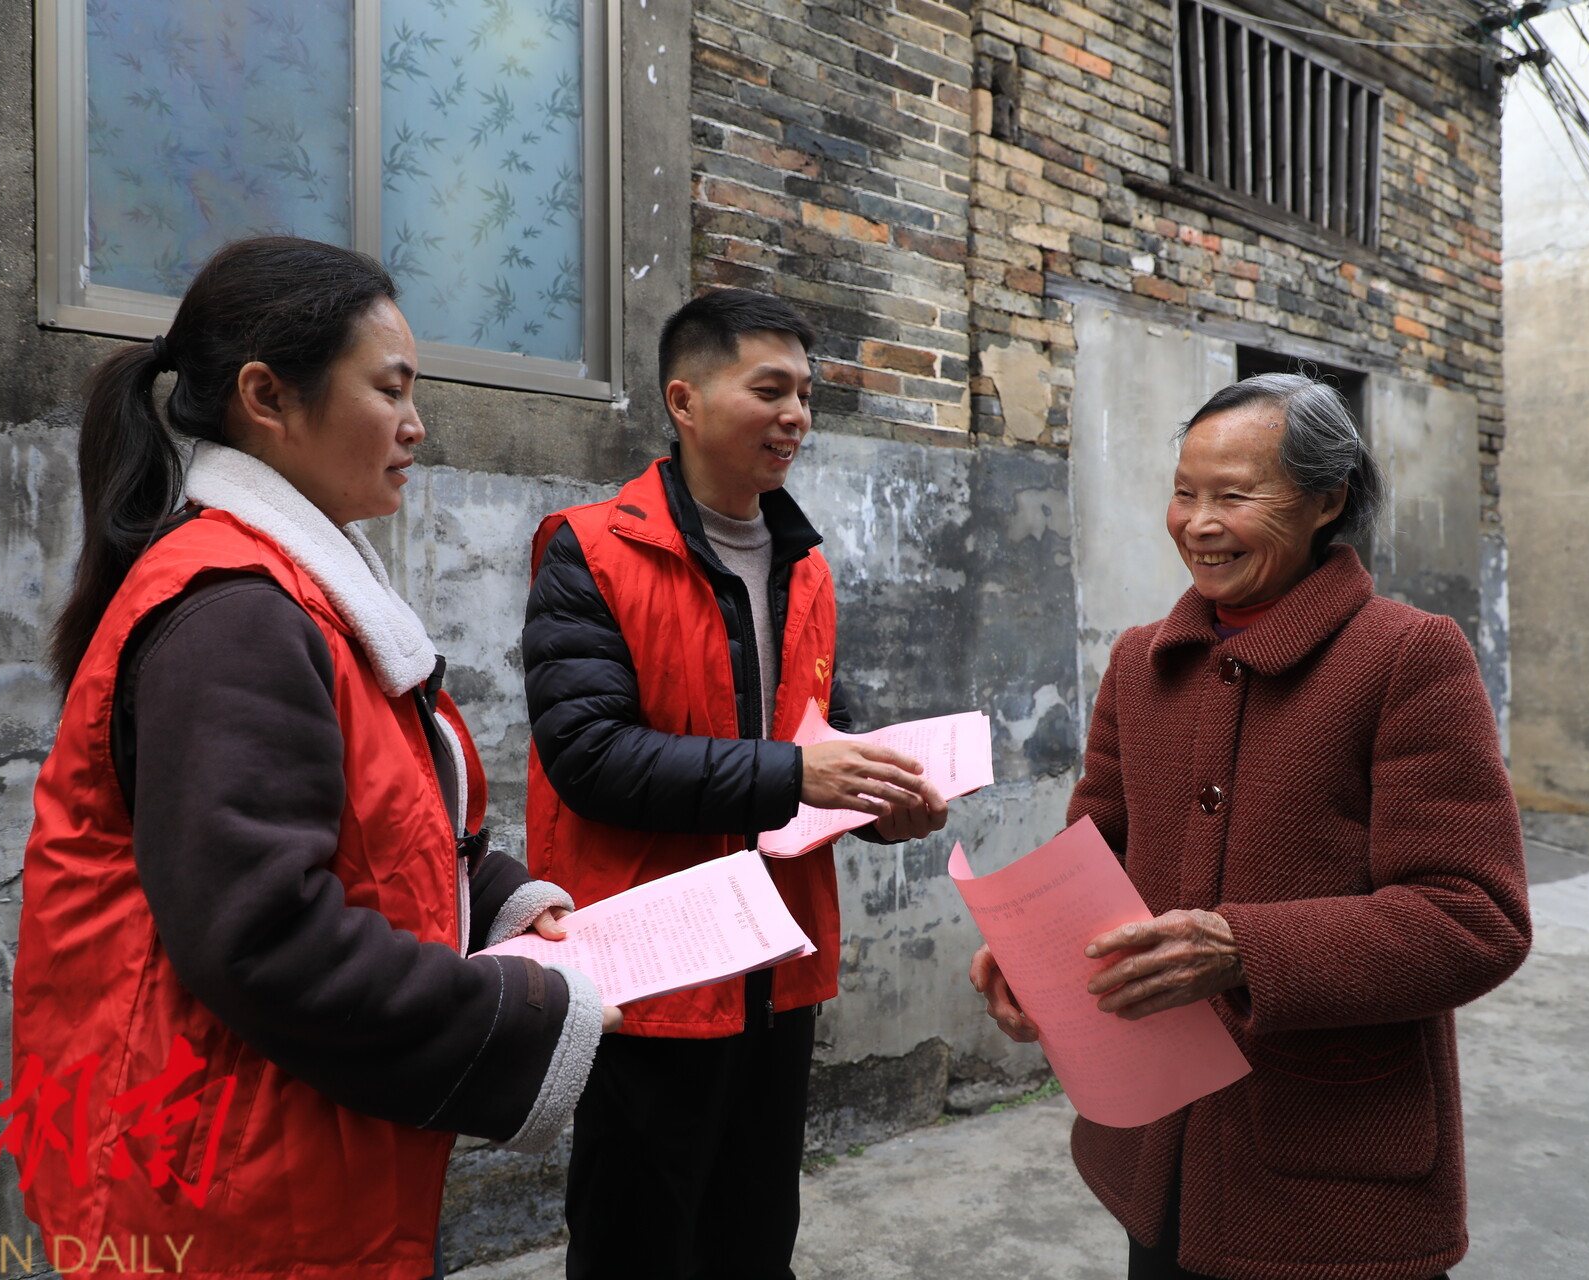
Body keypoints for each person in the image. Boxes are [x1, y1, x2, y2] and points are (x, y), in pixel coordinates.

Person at [12, 236, 614, 1280]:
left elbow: (380, 826)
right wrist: (524, 1015)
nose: (416, 424)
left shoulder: (302, 591)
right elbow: (265, 936)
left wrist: (500, 901)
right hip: (225, 1187)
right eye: (390, 389)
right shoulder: (235, 613)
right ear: (267, 397)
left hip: (287, 1153)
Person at [970, 373, 1530, 1280]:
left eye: (1234, 496)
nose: (1199, 523)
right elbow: (1096, 855)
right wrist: (1032, 949)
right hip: (1158, 1152)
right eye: (1184, 493)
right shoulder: (1141, 663)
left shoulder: (1406, 657)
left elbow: (1475, 918)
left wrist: (1243, 950)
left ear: (1327, 500)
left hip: (1328, 1174)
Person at [522, 288, 949, 1279]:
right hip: (651, 976)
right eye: (770, 389)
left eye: (805, 393)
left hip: (777, 964)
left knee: (754, 1242)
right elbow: (590, 756)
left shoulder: (806, 565)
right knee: (635, 1248)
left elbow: (818, 743)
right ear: (685, 400)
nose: (796, 414)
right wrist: (797, 771)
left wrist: (883, 806)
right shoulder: (590, 548)